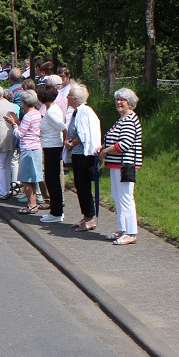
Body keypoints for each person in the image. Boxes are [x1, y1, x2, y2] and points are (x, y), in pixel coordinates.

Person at [98, 88, 143, 245]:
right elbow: (114, 138)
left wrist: (105, 151)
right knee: (117, 197)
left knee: (125, 197)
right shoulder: (122, 119)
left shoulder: (130, 119)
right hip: (116, 164)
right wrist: (103, 146)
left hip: (125, 164)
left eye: (122, 100)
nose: (119, 102)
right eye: (117, 99)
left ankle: (131, 233)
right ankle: (122, 229)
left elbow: (124, 144)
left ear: (130, 102)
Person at [64, 82, 102, 232]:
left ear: (75, 98)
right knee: (80, 185)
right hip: (78, 153)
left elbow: (84, 134)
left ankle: (90, 218)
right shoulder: (77, 111)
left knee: (84, 186)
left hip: (84, 154)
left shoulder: (83, 111)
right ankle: (86, 215)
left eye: (69, 95)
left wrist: (71, 143)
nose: (67, 98)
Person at [5, 90, 43, 213]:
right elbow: (27, 129)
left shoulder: (28, 115)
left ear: (24, 103)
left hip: (27, 149)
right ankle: (34, 204)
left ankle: (31, 204)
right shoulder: (37, 114)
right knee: (32, 178)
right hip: (36, 147)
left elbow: (20, 133)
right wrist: (17, 121)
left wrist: (13, 125)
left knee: (25, 179)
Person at [37, 84, 67, 222]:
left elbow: (63, 128)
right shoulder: (51, 109)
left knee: (52, 179)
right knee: (51, 179)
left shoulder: (51, 112)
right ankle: (55, 210)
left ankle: (57, 212)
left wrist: (66, 146)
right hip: (50, 147)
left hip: (53, 148)